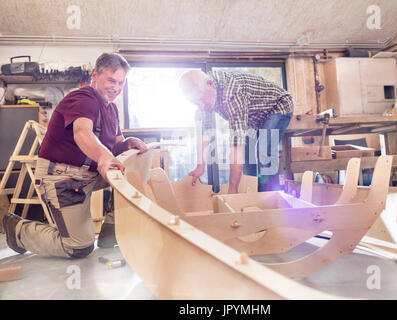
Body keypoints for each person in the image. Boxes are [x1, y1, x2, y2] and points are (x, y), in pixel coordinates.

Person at [2, 53, 148, 259]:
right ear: (95, 75)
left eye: (121, 83)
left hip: (89, 173)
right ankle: (18, 229)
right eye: (111, 80)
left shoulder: (112, 109)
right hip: (63, 176)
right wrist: (104, 157)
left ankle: (111, 231)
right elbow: (82, 132)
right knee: (78, 247)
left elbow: (115, 146)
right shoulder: (83, 98)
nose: (116, 87)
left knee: (132, 170)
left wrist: (127, 144)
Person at [179, 70, 293, 193]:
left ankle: (270, 198)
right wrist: (200, 166)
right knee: (249, 159)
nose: (200, 105)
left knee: (263, 151)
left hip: (277, 105)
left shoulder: (232, 94)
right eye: (195, 102)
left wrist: (232, 189)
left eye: (201, 99)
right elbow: (205, 134)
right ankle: (251, 196)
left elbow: (236, 147)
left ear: (210, 84)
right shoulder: (204, 100)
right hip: (253, 117)